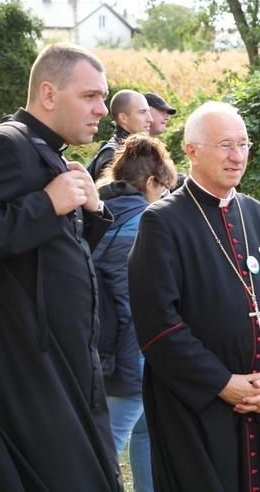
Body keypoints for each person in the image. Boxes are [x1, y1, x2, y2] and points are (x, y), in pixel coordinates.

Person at [0, 42, 123, 490]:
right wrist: (47, 204)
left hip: (59, 358)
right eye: (90, 96)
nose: (102, 109)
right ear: (48, 93)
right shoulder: (5, 145)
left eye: (103, 96)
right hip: (21, 362)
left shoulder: (46, 152)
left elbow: (43, 255)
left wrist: (89, 217)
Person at [127, 101, 260, 491]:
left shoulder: (255, 214)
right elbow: (157, 325)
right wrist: (222, 382)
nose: (238, 157)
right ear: (192, 151)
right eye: (224, 146)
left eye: (243, 144)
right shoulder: (161, 222)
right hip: (198, 405)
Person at [94, 134, 178, 492]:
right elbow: (138, 300)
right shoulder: (142, 221)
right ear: (149, 182)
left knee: (145, 432)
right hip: (132, 351)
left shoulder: (99, 209)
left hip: (105, 342)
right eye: (162, 188)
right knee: (107, 448)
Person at [88, 89, 153, 181]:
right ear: (123, 118)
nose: (150, 119)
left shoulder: (136, 150)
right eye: (142, 112)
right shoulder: (112, 156)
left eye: (149, 111)